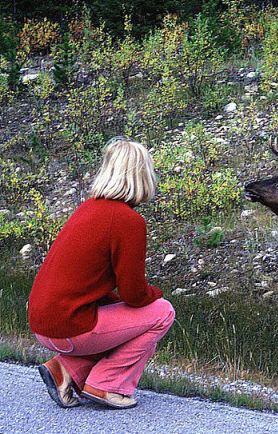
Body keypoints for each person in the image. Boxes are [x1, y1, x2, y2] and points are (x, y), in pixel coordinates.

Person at [28, 137, 175, 409]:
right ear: (143, 175)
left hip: (44, 322)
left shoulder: (87, 209)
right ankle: (107, 384)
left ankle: (66, 370)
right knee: (162, 312)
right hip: (70, 327)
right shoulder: (128, 221)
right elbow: (134, 294)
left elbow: (88, 282)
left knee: (130, 325)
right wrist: (155, 294)